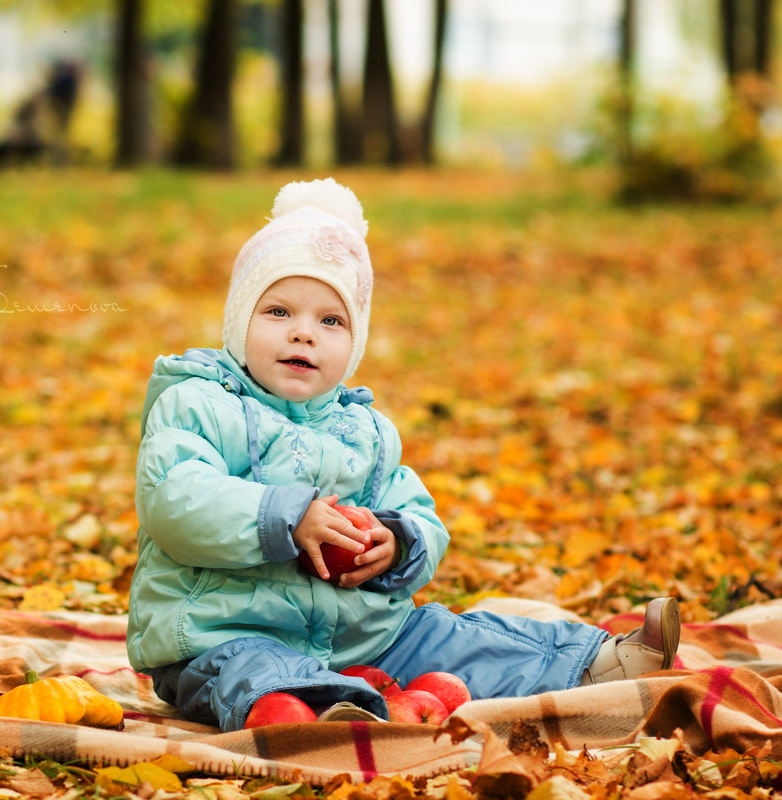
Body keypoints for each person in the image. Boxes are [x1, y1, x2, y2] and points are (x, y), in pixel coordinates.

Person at [126, 178, 681, 732]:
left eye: (330, 320)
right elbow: (173, 497)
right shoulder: (197, 403)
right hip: (220, 638)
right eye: (277, 312)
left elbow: (420, 513)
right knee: (257, 671)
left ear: (354, 342)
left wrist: (396, 542)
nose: (303, 334)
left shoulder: (365, 431)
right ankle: (311, 715)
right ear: (238, 320)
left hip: (362, 639)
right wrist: (285, 516)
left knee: (452, 637)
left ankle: (594, 664)